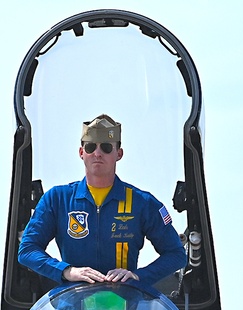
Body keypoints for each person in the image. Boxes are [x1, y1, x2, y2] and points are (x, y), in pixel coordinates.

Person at [18, 114, 187, 285]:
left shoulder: (143, 203)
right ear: (81, 152)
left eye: (106, 147)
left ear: (119, 153)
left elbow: (176, 255)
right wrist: (66, 271)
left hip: (125, 304)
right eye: (91, 147)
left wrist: (138, 276)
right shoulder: (57, 199)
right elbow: (27, 250)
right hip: (71, 304)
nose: (97, 153)